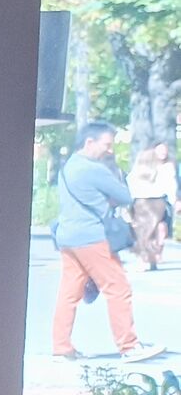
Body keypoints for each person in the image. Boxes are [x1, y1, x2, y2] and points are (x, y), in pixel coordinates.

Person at [52, 122, 163, 362]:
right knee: (118, 288)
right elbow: (125, 196)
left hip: (67, 236)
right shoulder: (95, 169)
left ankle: (61, 347)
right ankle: (129, 346)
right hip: (92, 236)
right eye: (107, 144)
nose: (110, 150)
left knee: (69, 292)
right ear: (89, 142)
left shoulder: (67, 166)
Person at [128, 140, 175, 270]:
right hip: (146, 201)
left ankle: (149, 256)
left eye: (165, 150)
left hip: (154, 201)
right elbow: (132, 183)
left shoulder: (166, 167)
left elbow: (171, 186)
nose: (163, 153)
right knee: (148, 231)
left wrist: (173, 200)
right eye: (160, 150)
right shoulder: (143, 167)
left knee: (151, 230)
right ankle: (148, 257)